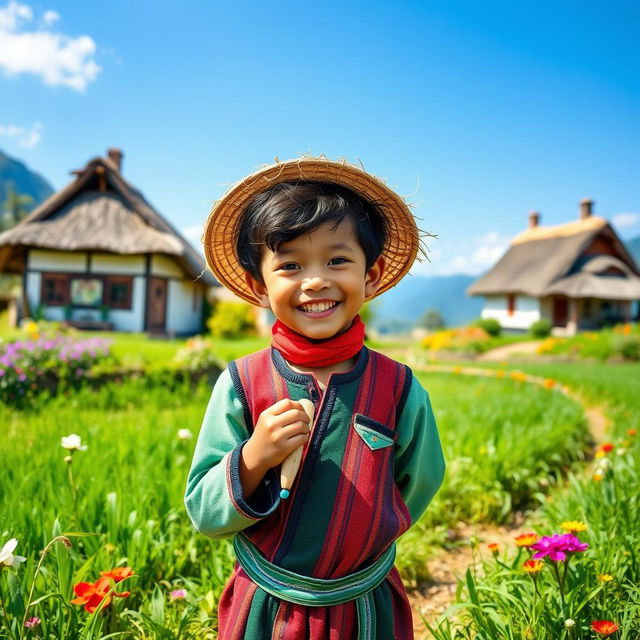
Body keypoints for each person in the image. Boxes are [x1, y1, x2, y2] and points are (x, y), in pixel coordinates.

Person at [184, 157, 445, 640]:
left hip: (366, 606)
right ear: (260, 287)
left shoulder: (399, 388)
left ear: (372, 274)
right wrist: (254, 457)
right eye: (290, 265)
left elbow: (419, 481)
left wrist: (363, 531)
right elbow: (203, 509)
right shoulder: (242, 384)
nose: (315, 280)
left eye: (337, 260)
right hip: (266, 606)